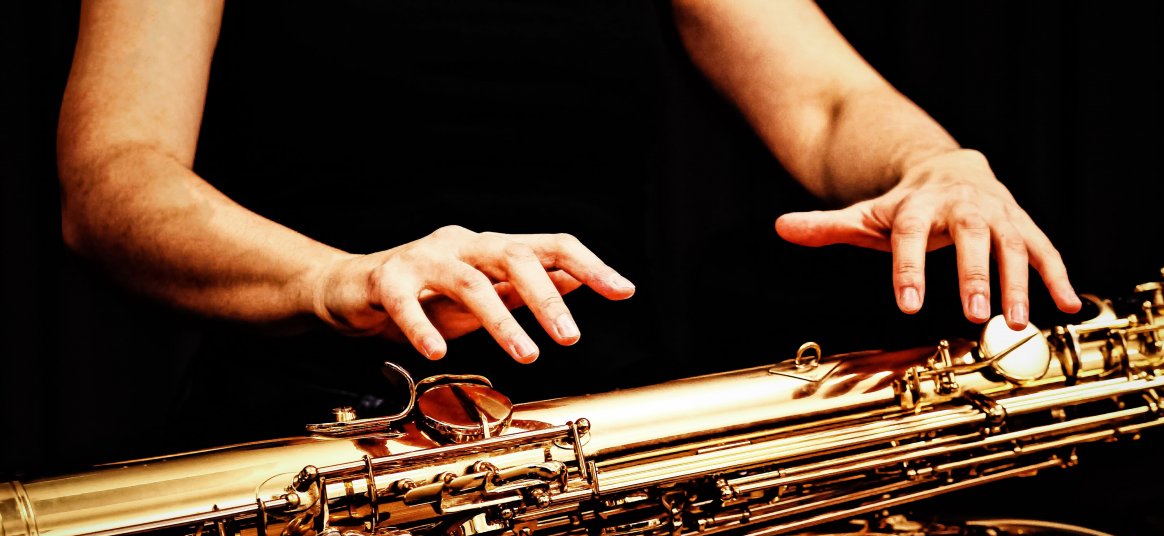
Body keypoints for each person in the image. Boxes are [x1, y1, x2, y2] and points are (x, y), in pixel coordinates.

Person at [57, 0, 1081, 396]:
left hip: (591, 446)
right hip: (307, 440)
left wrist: (933, 161)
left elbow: (826, 102)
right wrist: (338, 278)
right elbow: (114, 180)